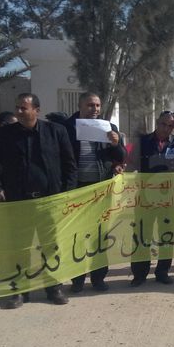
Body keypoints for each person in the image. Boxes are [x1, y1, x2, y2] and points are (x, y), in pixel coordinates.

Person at [0, 93, 77, 308]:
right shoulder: (4, 135)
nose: (18, 112)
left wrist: (68, 195)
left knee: (50, 246)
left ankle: (53, 287)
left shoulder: (56, 131)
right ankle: (19, 290)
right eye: (17, 107)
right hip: (18, 203)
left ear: (36, 110)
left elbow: (70, 167)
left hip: (49, 202)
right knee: (19, 248)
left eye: (23, 108)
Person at [64, 92, 127, 293]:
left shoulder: (108, 127)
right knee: (77, 236)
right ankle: (77, 280)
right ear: (80, 105)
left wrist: (115, 143)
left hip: (101, 190)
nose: (95, 109)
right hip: (77, 190)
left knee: (100, 235)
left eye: (98, 106)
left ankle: (98, 278)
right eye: (91, 105)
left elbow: (121, 156)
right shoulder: (66, 128)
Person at [130, 111, 174, 287]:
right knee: (142, 235)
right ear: (157, 122)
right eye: (163, 124)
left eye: (171, 126)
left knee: (167, 236)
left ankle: (162, 272)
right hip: (145, 198)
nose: (166, 129)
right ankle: (139, 274)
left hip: (169, 199)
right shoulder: (143, 141)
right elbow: (131, 162)